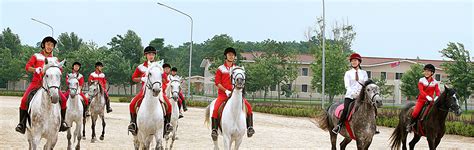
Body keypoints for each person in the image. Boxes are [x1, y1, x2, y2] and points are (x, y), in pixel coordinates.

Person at [16, 36, 69, 134]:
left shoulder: (55, 59)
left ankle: (62, 122)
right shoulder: (36, 56)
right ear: (43, 45)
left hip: (50, 85)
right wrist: (35, 69)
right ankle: (22, 124)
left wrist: (57, 69)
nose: (49, 47)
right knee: (24, 100)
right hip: (36, 83)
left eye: (52, 45)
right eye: (48, 44)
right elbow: (27, 67)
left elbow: (59, 70)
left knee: (64, 100)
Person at [211, 47, 254, 141]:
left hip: (235, 94)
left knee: (249, 107)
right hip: (223, 94)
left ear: (234, 57)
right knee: (215, 109)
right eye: (229, 54)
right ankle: (214, 130)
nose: (231, 56)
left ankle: (250, 128)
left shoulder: (237, 69)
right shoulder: (220, 69)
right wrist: (225, 90)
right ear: (226, 56)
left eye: (233, 55)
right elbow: (217, 83)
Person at [332, 53, 368, 134]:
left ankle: (373, 126)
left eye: (355, 60)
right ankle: (339, 125)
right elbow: (347, 86)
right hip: (350, 96)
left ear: (359, 62)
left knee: (371, 107)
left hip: (361, 96)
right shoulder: (348, 73)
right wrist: (354, 93)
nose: (353, 62)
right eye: (352, 61)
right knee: (345, 110)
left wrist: (359, 93)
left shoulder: (364, 73)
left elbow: (365, 84)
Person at [406, 64, 440, 132]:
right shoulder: (421, 80)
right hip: (421, 100)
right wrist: (427, 96)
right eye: (425, 71)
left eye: (428, 71)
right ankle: (410, 125)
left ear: (432, 73)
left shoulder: (435, 82)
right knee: (415, 112)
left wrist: (437, 97)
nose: (426, 72)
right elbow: (421, 91)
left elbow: (437, 91)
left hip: (431, 101)